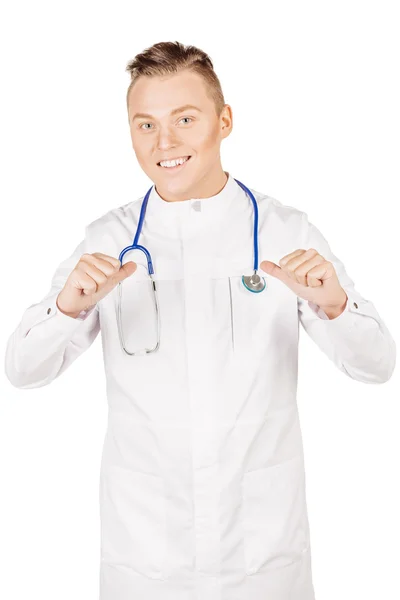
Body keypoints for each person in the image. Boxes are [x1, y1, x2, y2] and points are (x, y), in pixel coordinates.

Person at [5, 40, 396, 600]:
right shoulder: (109, 241)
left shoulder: (286, 232)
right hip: (145, 557)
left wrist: (333, 303)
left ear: (224, 119)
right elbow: (23, 370)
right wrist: (68, 308)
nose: (164, 143)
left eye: (184, 119)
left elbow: (378, 365)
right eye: (145, 125)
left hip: (261, 556)